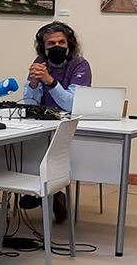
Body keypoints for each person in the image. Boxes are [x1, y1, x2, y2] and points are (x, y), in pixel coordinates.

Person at [20, 21, 92, 223]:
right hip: (43, 122)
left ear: (69, 44)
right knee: (25, 150)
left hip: (70, 123)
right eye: (51, 43)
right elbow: (29, 103)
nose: (57, 46)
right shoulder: (40, 62)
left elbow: (71, 104)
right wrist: (34, 82)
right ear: (43, 47)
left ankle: (50, 192)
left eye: (61, 42)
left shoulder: (80, 65)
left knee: (52, 154)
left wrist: (50, 81)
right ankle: (46, 191)